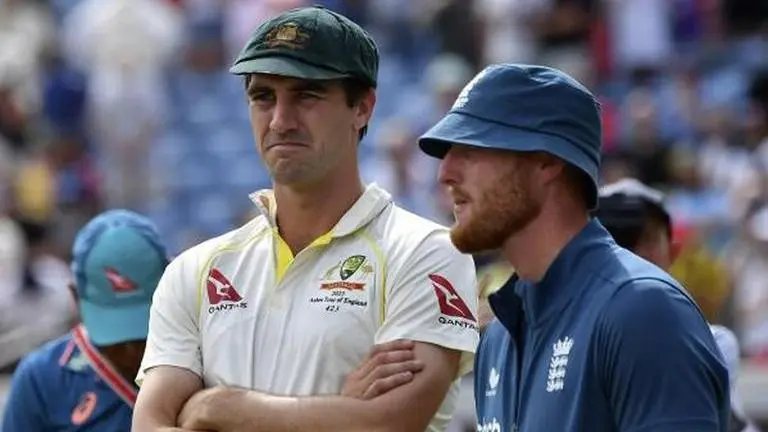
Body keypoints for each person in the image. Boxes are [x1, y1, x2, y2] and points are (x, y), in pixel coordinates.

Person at [133, 6, 479, 432]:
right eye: (263, 97)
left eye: (307, 95)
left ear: (363, 108)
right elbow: (149, 426)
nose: (280, 120)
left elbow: (388, 424)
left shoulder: (426, 253)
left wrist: (219, 407)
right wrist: (333, 412)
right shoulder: (195, 271)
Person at [417, 63, 730, 431]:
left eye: (471, 148)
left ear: (546, 161)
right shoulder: (498, 338)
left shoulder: (643, 309)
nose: (445, 173)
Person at [595, 177, 762, 432]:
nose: (632, 254)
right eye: (620, 240)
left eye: (647, 239)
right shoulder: (570, 337)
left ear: (672, 251)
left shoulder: (709, 344)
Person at [1, 209, 171, 431]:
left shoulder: (203, 359)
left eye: (143, 335)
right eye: (115, 340)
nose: (131, 352)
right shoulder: (41, 380)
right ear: (75, 298)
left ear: (172, 287)